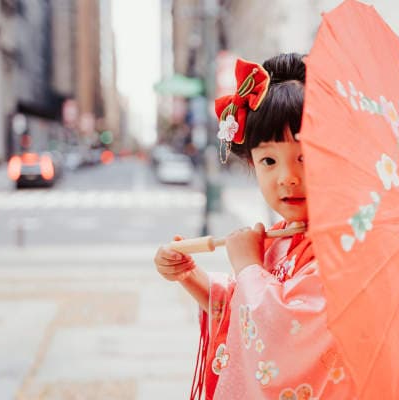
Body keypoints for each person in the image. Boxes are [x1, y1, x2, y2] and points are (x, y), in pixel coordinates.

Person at [154, 53, 356, 400]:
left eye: (304, 157)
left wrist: (249, 265)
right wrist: (191, 275)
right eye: (268, 160)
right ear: (252, 164)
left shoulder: (344, 244)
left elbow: (283, 333)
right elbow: (242, 309)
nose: (287, 178)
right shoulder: (286, 236)